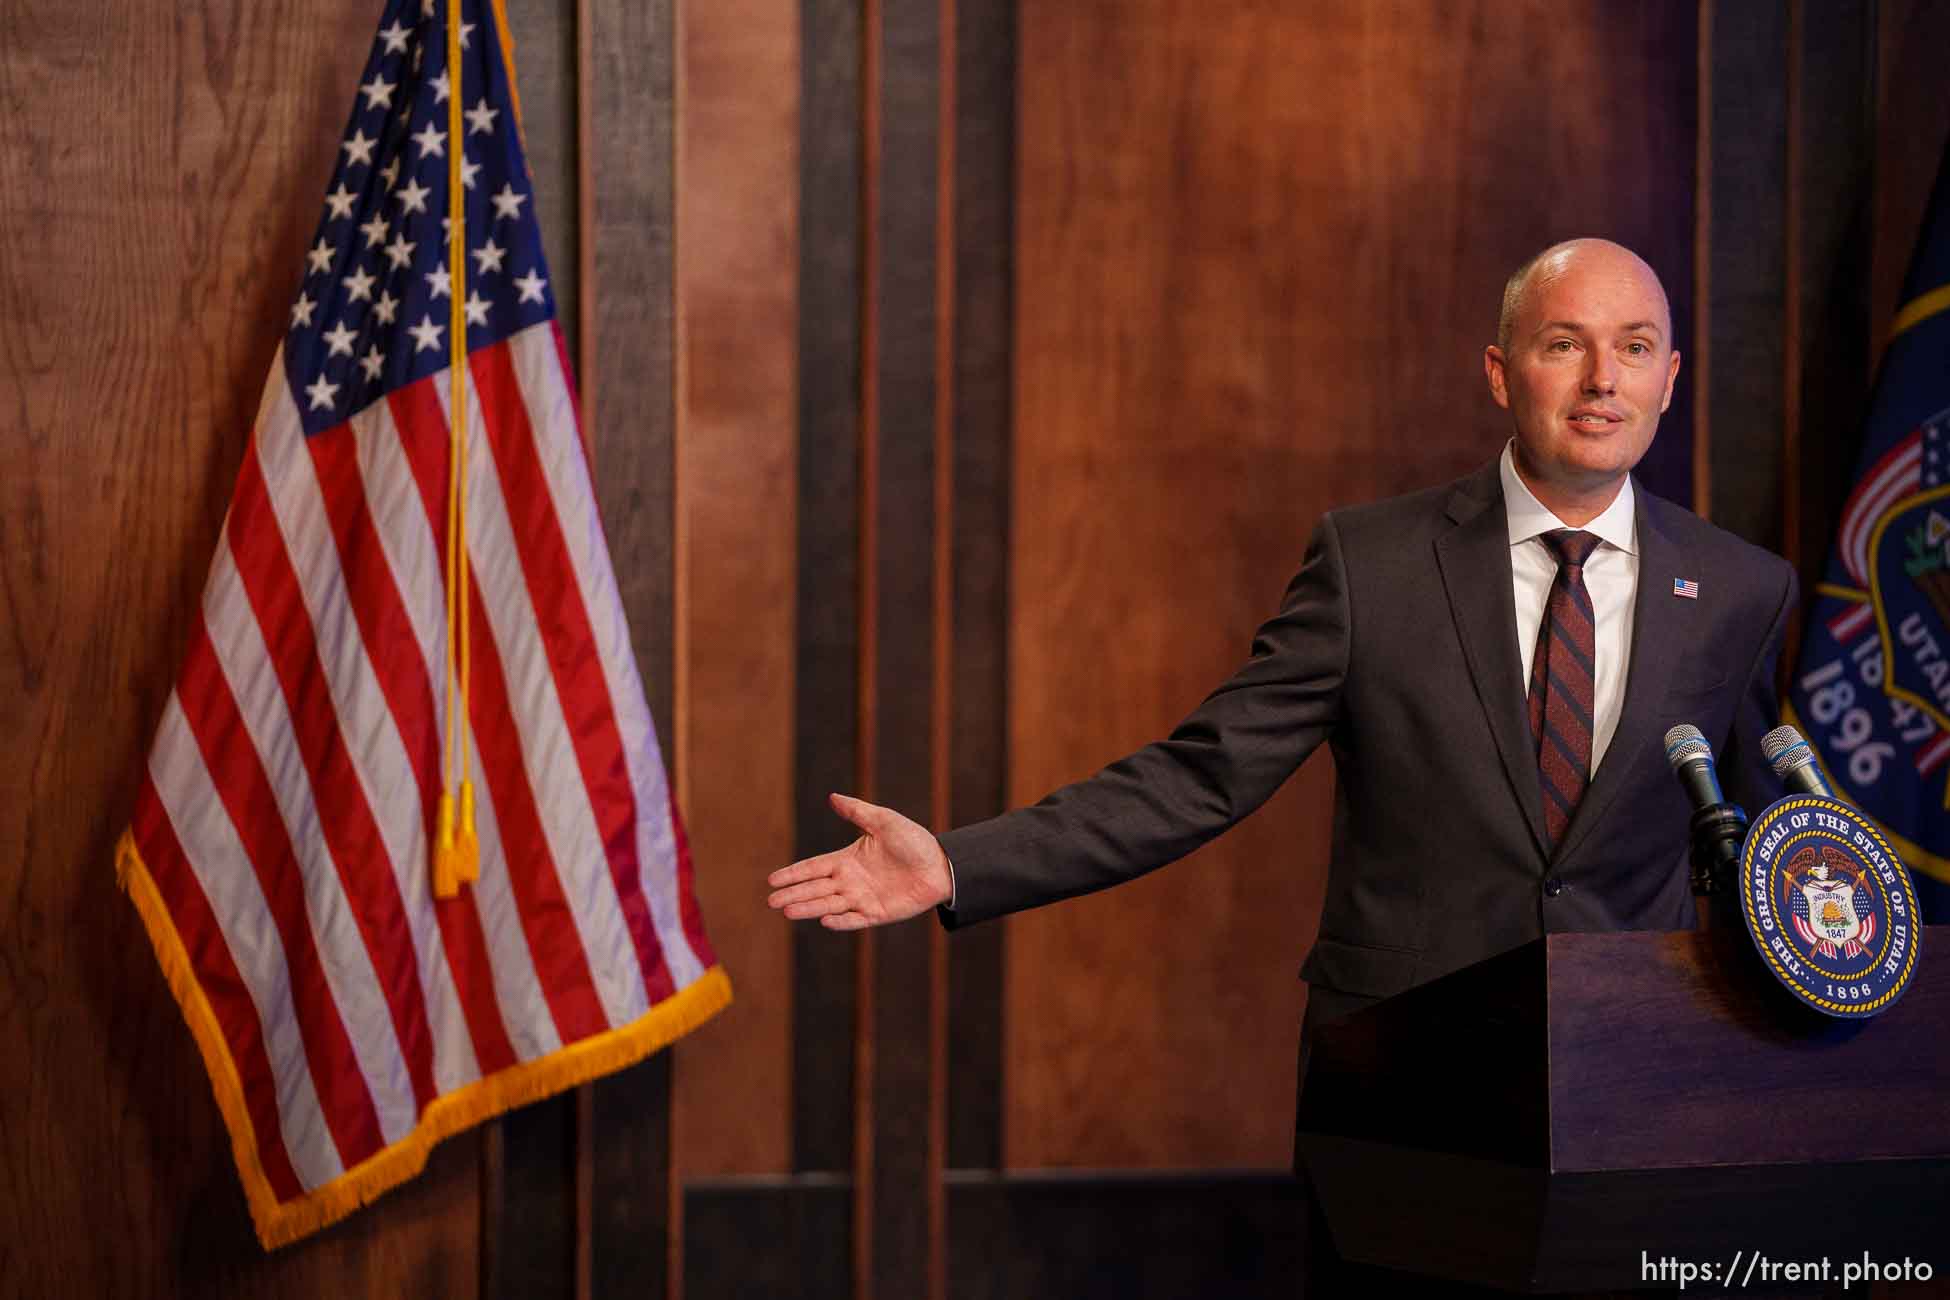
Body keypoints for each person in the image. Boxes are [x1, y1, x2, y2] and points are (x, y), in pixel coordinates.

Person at [766, 236, 1795, 1052]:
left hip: (1641, 1069)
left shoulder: (1743, 590)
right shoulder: (1372, 564)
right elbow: (1198, 778)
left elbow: (1769, 853)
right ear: (1500, 371)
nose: (1602, 379)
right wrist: (957, 863)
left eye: (1636, 345)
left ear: (1669, 377)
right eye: (1564, 343)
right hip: (1403, 1071)